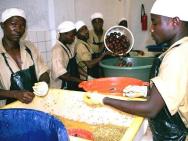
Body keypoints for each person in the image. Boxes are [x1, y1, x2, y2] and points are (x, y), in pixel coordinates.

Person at [85, 0, 188, 140]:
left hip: (178, 134)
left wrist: (103, 99)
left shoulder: (177, 55)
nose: (151, 29)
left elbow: (151, 109)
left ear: (175, 22)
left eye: (155, 22)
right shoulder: (182, 48)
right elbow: (178, 89)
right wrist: (145, 90)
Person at [0, 8, 50, 106]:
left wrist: (43, 84)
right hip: (10, 110)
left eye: (22, 25)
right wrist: (15, 94)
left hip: (36, 104)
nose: (18, 29)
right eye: (13, 24)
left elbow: (43, 71)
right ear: (2, 25)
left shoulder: (30, 47)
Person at [51, 21, 82, 91]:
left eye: (74, 36)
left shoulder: (65, 46)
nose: (74, 38)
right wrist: (81, 81)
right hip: (61, 88)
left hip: (69, 85)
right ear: (63, 34)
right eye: (72, 36)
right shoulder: (57, 50)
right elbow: (62, 75)